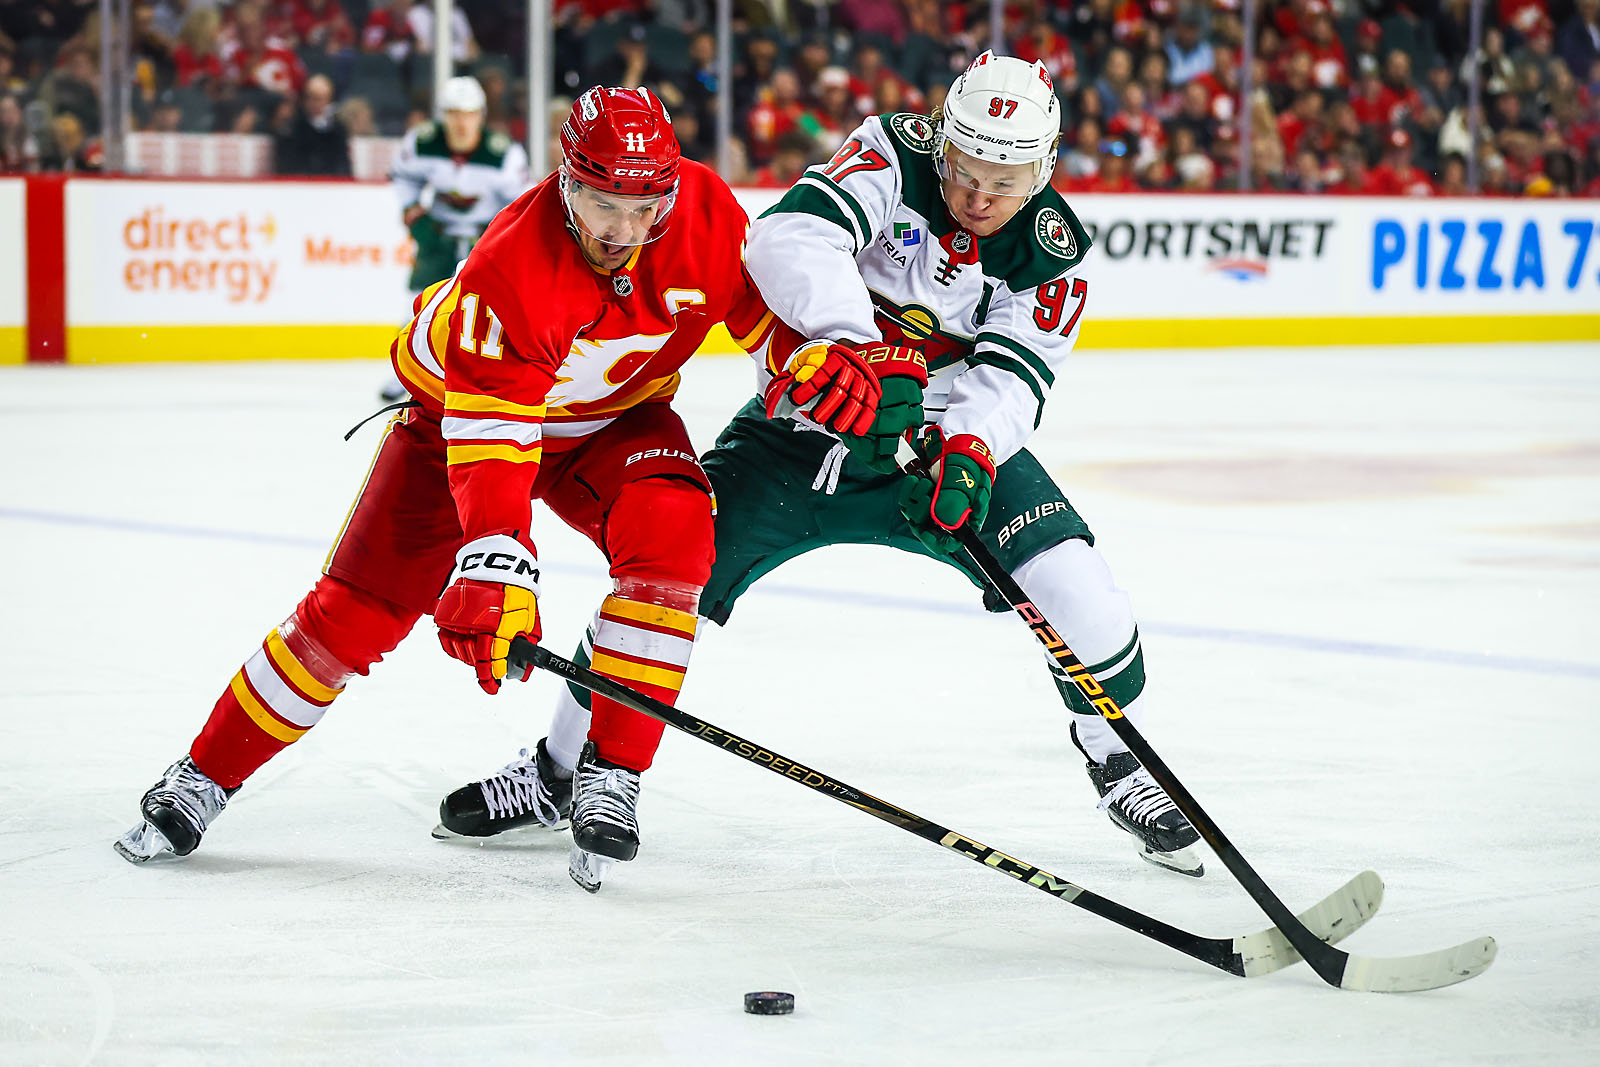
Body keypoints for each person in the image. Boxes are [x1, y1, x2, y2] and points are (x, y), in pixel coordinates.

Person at [440, 52, 1203, 890]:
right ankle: (559, 770)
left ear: (1044, 170)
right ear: (943, 140)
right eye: (965, 169)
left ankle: (1112, 756)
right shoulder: (889, 151)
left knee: (1083, 597)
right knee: (662, 580)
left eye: (1005, 180)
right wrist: (851, 350)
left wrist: (971, 450)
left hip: (940, 454)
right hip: (802, 431)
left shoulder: (1054, 250)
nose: (979, 197)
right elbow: (786, 235)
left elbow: (1017, 372)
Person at [113, 86, 820, 874]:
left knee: (677, 542)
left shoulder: (704, 212)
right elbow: (493, 434)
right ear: (565, 181)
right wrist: (498, 552)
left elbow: (764, 315)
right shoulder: (511, 265)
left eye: (644, 205)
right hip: (454, 422)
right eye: (600, 202)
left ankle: (607, 772)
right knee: (354, 615)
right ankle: (205, 773)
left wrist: (814, 364)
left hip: (613, 424)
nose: (624, 231)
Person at [380, 75, 527, 402]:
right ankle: (403, 375)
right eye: (454, 114)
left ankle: (490, 378)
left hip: (485, 242)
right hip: (438, 237)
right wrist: (413, 211)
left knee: (488, 312)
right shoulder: (420, 142)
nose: (461, 123)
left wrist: (500, 236)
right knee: (418, 306)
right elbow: (403, 178)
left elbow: (521, 202)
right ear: (443, 116)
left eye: (469, 114)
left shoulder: (504, 154)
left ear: (481, 115)